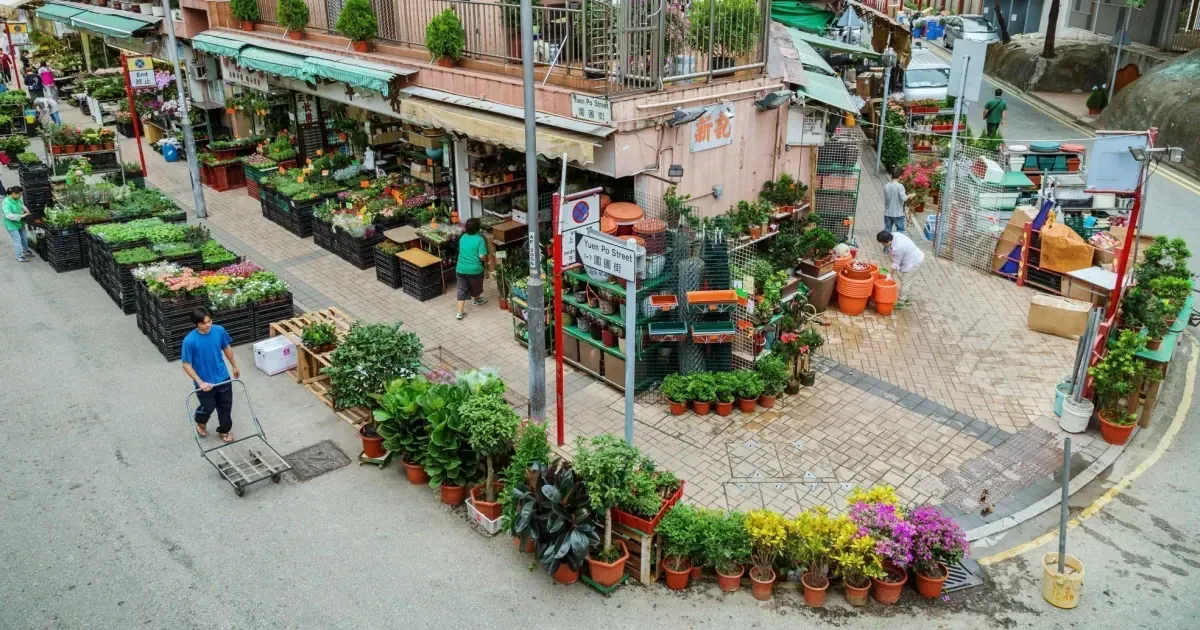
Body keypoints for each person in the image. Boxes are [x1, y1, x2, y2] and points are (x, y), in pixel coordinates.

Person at [181, 308, 240, 442]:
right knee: (208, 406)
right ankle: (201, 422)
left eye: (209, 321)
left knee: (225, 406)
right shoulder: (189, 341)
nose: (208, 325)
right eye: (203, 323)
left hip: (223, 377)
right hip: (204, 382)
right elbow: (186, 364)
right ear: (195, 324)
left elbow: (226, 347)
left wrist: (234, 366)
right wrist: (200, 382)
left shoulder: (219, 331)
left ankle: (224, 430)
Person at [877, 230, 925, 308]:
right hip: (912, 257)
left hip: (914, 261)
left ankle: (902, 302)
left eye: (883, 243)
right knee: (908, 281)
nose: (883, 245)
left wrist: (889, 274)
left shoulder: (898, 248)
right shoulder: (895, 235)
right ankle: (906, 298)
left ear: (887, 241)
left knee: (905, 282)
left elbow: (895, 264)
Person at [455, 217, 490, 321]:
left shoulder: (463, 237)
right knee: (476, 285)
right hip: (475, 269)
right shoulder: (480, 239)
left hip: (460, 268)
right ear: (477, 228)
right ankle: (476, 300)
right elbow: (481, 256)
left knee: (461, 289)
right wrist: (487, 261)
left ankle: (459, 313)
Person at [3, 186, 31, 262]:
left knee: (24, 237)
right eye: (20, 194)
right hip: (11, 224)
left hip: (19, 222)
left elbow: (22, 205)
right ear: (14, 193)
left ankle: (26, 250)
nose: (20, 196)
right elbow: (8, 216)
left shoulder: (17, 199)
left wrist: (27, 211)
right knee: (17, 239)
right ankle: (19, 256)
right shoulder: (6, 203)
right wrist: (22, 215)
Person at [882, 165, 911, 233]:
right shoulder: (900, 186)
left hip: (887, 212)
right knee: (900, 230)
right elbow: (904, 198)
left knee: (887, 231)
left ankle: (887, 243)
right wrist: (909, 195)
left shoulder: (886, 186)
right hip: (898, 213)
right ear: (900, 176)